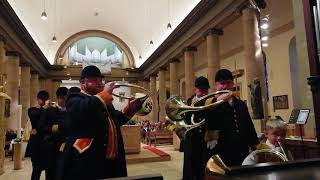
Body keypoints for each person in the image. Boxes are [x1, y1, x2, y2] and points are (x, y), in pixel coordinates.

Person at [57, 65, 143, 180]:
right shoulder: (75, 97)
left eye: (100, 80)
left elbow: (115, 121)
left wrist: (131, 109)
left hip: (111, 160)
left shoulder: (103, 101)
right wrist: (104, 94)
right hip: (88, 160)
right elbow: (83, 109)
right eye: (94, 80)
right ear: (83, 82)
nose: (99, 83)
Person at [204, 69, 259, 167]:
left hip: (242, 152)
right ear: (216, 85)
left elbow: (249, 127)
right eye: (222, 83)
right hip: (221, 153)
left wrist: (255, 147)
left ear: (233, 84)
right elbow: (199, 107)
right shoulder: (210, 103)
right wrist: (217, 100)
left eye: (228, 83)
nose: (225, 86)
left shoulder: (241, 104)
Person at [182, 76, 210, 180]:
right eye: (201, 90)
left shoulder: (210, 102)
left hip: (204, 142)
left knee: (202, 171)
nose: (203, 93)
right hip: (191, 142)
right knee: (190, 170)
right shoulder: (189, 103)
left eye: (205, 90)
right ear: (195, 90)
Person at [38, 87, 69, 180]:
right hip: (52, 147)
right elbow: (41, 127)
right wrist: (53, 128)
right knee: (51, 173)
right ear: (58, 98)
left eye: (66, 98)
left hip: (66, 146)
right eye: (62, 98)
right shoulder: (49, 111)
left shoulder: (71, 111)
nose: (64, 101)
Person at [26, 90, 50, 180]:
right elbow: (36, 119)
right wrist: (45, 108)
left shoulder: (49, 111)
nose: (43, 102)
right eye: (42, 100)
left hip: (47, 143)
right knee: (36, 169)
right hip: (36, 143)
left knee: (49, 170)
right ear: (38, 99)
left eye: (45, 100)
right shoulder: (32, 110)